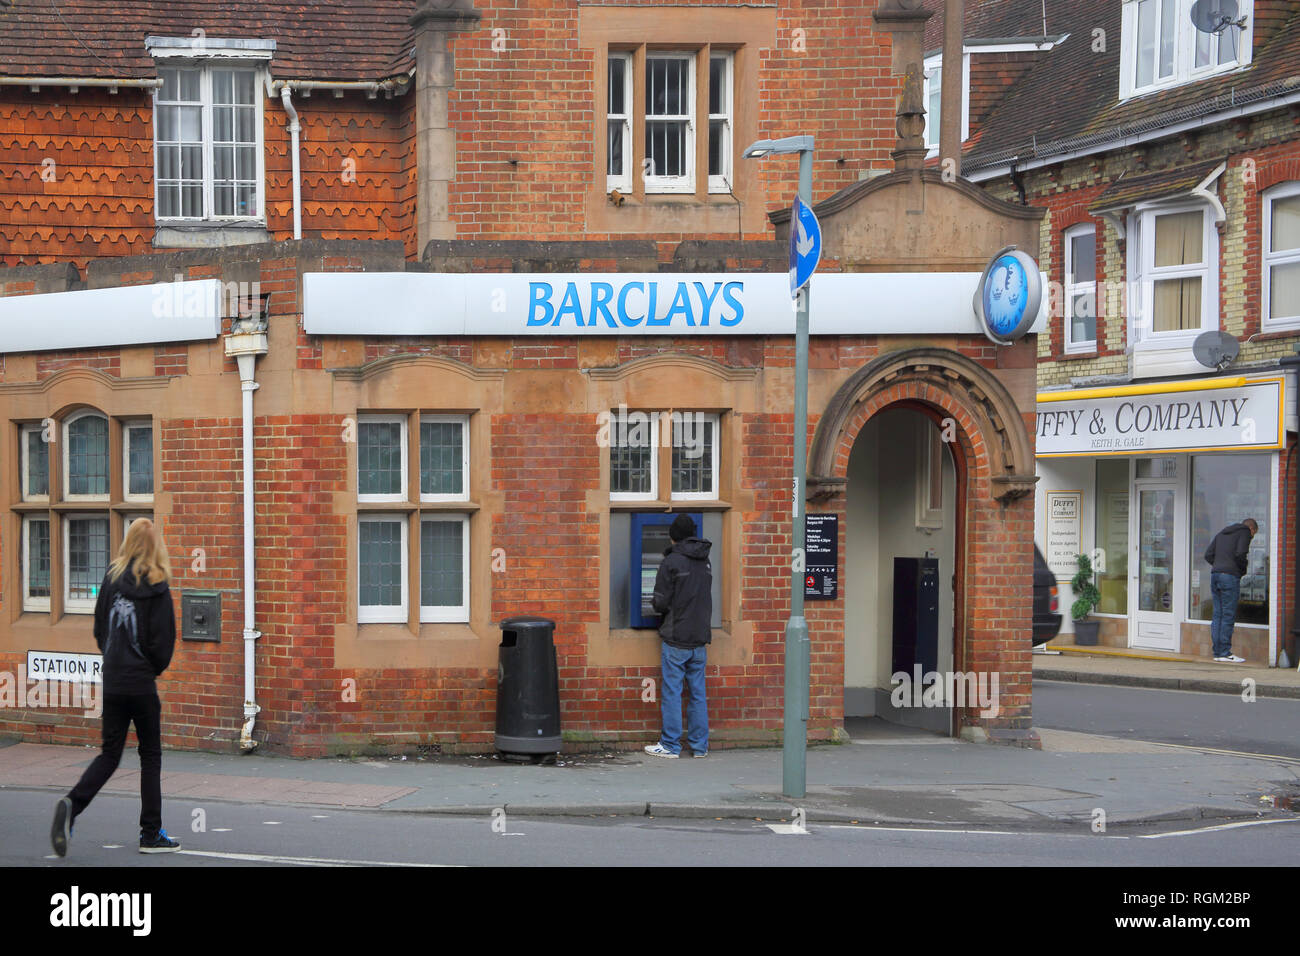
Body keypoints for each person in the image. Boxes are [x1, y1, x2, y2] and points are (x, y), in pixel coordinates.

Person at [51, 518, 180, 856]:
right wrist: (150, 668)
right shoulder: (158, 583)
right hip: (141, 684)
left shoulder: (110, 579)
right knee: (150, 756)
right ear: (155, 546)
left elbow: (99, 628)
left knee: (110, 754)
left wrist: (114, 660)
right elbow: (164, 641)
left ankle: (72, 804)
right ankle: (150, 834)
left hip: (112, 682)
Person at [645, 514, 713, 759]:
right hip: (699, 638)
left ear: (673, 536)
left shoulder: (671, 561)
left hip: (676, 638)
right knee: (697, 693)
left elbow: (660, 602)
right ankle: (699, 746)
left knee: (672, 692)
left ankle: (671, 745)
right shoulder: (705, 560)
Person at [1203, 517, 1257, 664]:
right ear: (1252, 529)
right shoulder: (1245, 532)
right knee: (1228, 615)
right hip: (1229, 577)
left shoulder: (1222, 533)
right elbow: (1240, 554)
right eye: (1253, 535)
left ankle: (1218, 652)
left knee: (1217, 615)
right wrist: (1240, 570)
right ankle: (1225, 652)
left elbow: (1208, 555)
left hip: (1215, 575)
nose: (1251, 538)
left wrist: (1220, 565)